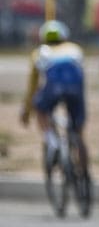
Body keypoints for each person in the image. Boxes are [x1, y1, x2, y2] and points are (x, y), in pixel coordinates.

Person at [20, 20, 88, 167]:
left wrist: (27, 110)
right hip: (76, 89)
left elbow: (33, 85)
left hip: (53, 88)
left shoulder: (39, 53)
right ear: (64, 36)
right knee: (78, 131)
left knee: (41, 109)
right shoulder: (74, 49)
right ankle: (83, 172)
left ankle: (52, 141)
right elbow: (81, 75)